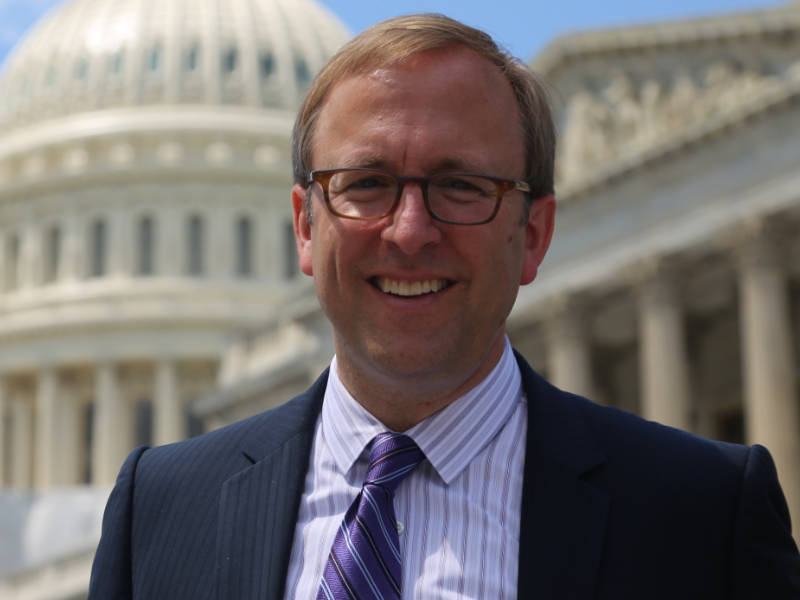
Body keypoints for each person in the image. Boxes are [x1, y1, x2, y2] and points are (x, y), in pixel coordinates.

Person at [88, 14, 800, 600]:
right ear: (306, 226)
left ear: (534, 235)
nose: (409, 231)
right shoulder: (159, 513)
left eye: (461, 185)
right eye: (366, 183)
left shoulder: (704, 517)